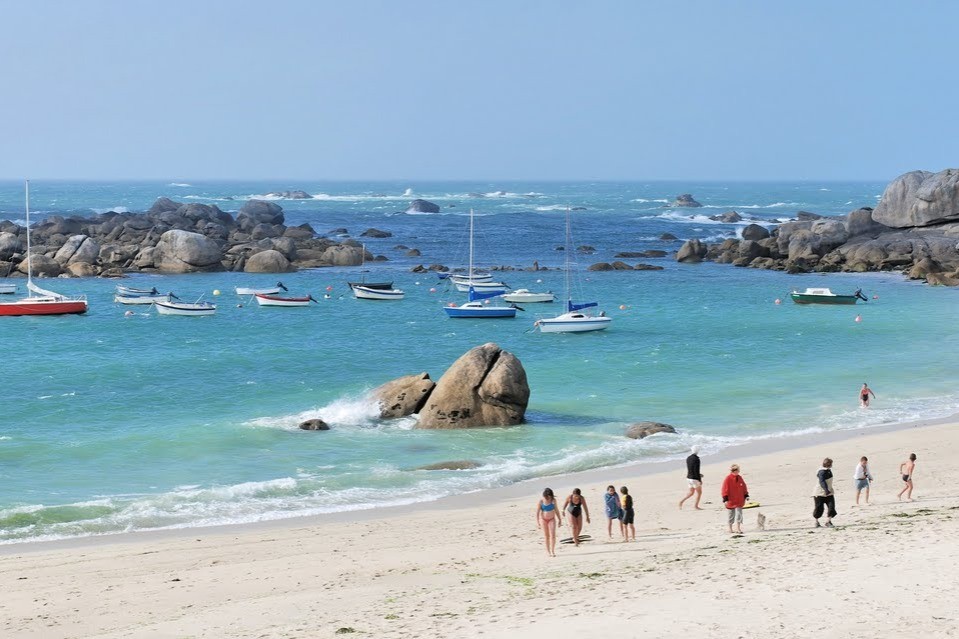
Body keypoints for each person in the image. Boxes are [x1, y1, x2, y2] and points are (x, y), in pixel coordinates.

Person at [721, 464, 749, 534]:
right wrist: (725, 499)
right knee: (731, 514)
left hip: (739, 499)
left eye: (738, 470)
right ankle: (730, 528)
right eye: (737, 470)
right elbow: (724, 489)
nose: (738, 472)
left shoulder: (740, 478)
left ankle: (738, 528)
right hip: (731, 499)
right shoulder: (728, 478)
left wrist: (746, 495)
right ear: (733, 471)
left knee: (739, 514)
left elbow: (744, 486)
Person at [535, 488, 562, 557]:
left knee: (553, 535)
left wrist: (560, 520)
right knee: (546, 536)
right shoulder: (541, 501)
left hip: (552, 519)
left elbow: (556, 510)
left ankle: (552, 551)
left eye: (550, 495)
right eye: (547, 496)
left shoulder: (553, 500)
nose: (548, 497)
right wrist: (537, 522)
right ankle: (548, 551)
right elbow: (537, 513)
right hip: (543, 520)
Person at [813, 457, 837, 528]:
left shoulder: (828, 470)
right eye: (831, 464)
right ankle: (816, 522)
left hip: (829, 492)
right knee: (819, 509)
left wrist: (828, 491)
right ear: (828, 464)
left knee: (831, 507)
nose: (832, 465)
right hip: (820, 493)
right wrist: (826, 490)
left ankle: (828, 522)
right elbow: (822, 481)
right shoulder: (821, 472)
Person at [679, 445, 704, 510]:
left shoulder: (688, 458)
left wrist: (699, 474)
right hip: (694, 478)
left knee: (691, 493)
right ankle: (696, 506)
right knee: (699, 492)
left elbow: (690, 468)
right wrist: (700, 479)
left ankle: (681, 502)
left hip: (689, 477)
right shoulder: (697, 459)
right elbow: (696, 470)